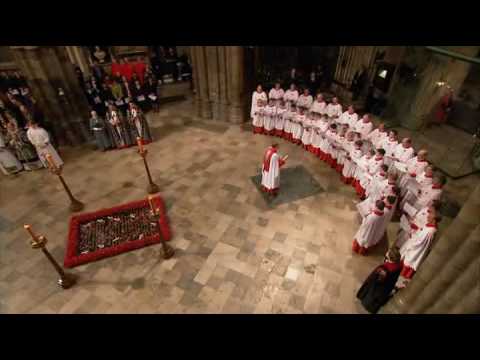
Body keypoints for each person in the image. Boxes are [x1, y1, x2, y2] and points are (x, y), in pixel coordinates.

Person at [356, 247, 402, 314]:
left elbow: (379, 280)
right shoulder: (397, 266)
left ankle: (366, 304)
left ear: (390, 256)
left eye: (388, 252)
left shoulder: (385, 268)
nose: (386, 252)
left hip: (377, 288)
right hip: (386, 288)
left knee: (372, 296)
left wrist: (373, 278)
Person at [398, 211, 438, 280]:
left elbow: (420, 242)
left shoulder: (431, 231)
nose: (427, 217)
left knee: (408, 264)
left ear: (434, 220)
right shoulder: (428, 225)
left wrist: (412, 237)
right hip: (414, 244)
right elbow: (420, 232)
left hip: (416, 250)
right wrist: (415, 230)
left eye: (429, 217)